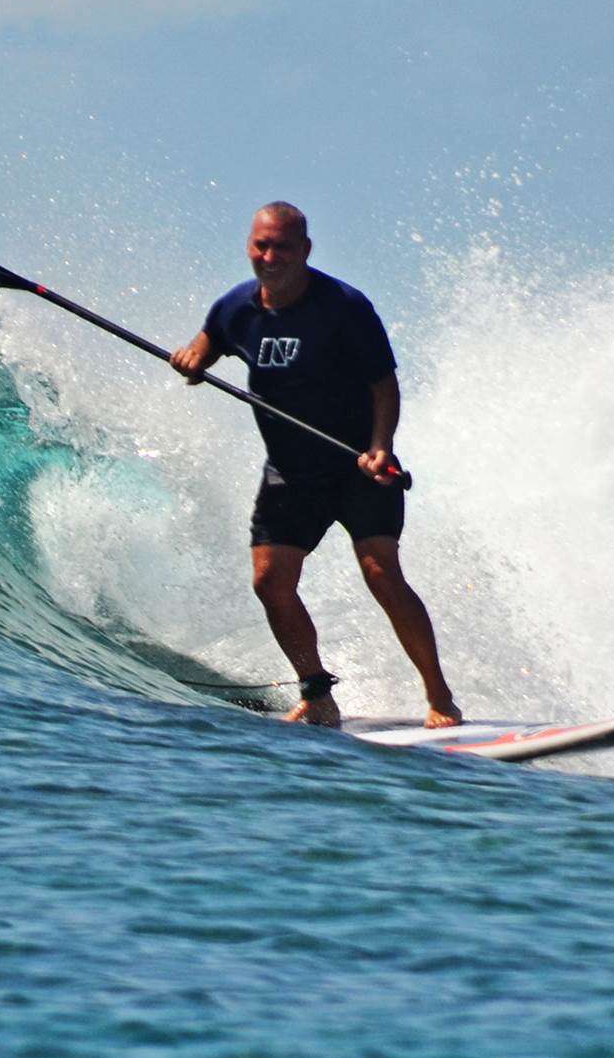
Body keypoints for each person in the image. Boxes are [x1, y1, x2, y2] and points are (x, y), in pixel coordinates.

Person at [170, 202, 462, 729]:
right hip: (291, 472)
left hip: (358, 465)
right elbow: (206, 347)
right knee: (270, 581)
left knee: (381, 571)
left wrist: (381, 446)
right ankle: (316, 693)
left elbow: (384, 385)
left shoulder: (344, 307)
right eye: (261, 245)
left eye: (282, 247)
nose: (270, 256)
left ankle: (440, 698)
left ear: (305, 250)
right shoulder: (236, 309)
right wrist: (191, 360)